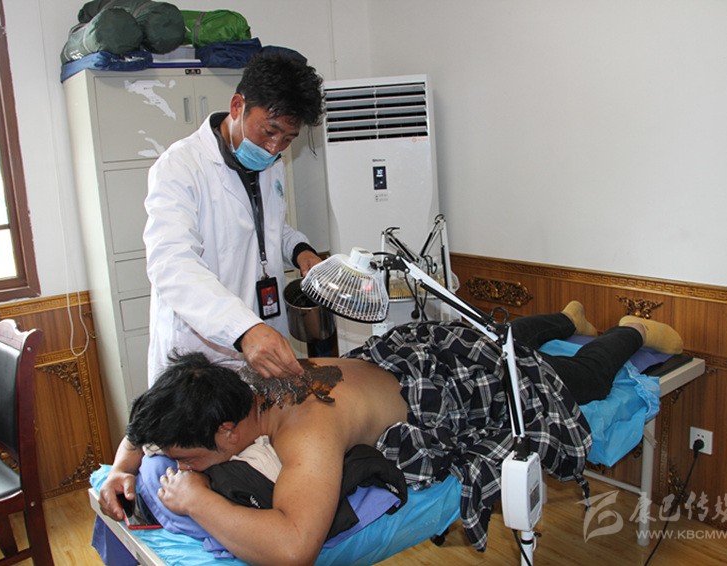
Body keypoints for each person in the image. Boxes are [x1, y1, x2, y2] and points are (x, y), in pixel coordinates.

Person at [98, 303, 683, 563]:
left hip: (447, 389)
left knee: (571, 379)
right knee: (493, 338)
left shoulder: (307, 431)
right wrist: (123, 467)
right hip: (403, 358)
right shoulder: (226, 380)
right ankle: (566, 318)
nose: (180, 465)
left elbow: (295, 546)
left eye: (187, 458)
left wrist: (198, 501)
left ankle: (631, 330)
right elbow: (149, 427)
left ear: (228, 434)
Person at [144, 49, 325, 383]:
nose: (275, 148)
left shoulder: (272, 165)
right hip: (202, 353)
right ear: (238, 106)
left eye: (288, 139)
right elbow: (172, 264)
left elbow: (268, 227)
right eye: (269, 131)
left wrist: (301, 251)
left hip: (260, 337)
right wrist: (241, 329)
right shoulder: (180, 167)